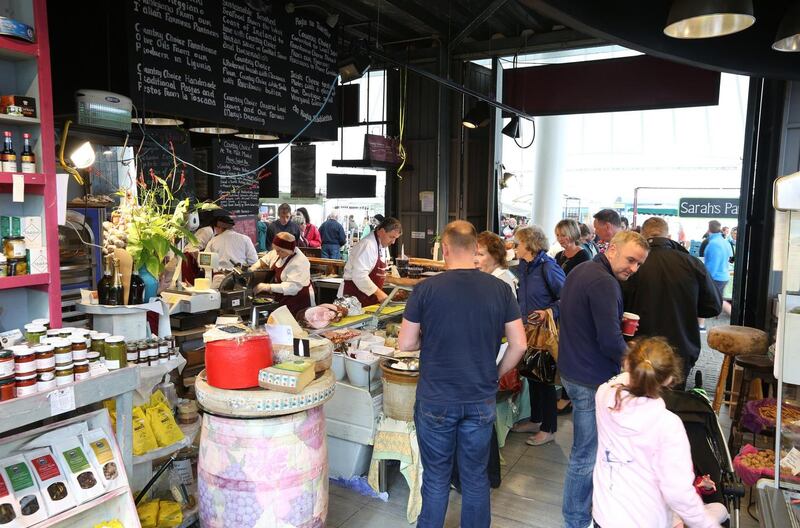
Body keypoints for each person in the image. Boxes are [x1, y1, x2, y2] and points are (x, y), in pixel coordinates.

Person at [398, 220, 527, 528]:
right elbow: (520, 344)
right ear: (474, 248)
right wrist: (495, 373)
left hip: (436, 398)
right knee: (475, 477)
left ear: (445, 249)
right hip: (479, 397)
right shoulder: (500, 289)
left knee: (436, 478)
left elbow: (405, 344)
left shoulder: (425, 289)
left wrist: (429, 339)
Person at [557, 230, 650, 528]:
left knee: (585, 451)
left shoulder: (583, 270)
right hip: (590, 378)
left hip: (573, 369)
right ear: (611, 250)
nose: (633, 269)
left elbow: (582, 320)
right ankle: (576, 520)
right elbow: (609, 341)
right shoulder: (604, 282)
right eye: (631, 260)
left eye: (639, 264)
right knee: (586, 454)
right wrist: (634, 362)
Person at [592, 337, 727, 528]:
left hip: (605, 515)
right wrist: (708, 524)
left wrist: (632, 364)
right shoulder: (668, 425)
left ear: (627, 363)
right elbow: (678, 493)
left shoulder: (604, 395)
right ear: (670, 380)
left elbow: (619, 380)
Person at [621, 217, 722, 384]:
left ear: (642, 236)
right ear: (668, 236)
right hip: (681, 348)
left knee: (637, 395)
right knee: (675, 396)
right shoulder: (691, 263)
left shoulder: (632, 265)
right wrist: (688, 307)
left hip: (639, 349)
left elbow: (619, 305)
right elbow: (714, 306)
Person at [510, 225, 566, 446]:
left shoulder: (547, 267)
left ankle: (549, 428)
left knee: (544, 379)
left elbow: (567, 297)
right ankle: (536, 419)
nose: (514, 246)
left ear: (529, 244)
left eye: (518, 243)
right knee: (531, 375)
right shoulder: (524, 267)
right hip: (528, 329)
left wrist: (548, 311)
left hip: (543, 332)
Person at [553, 219, 591, 414]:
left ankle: (568, 397)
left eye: (564, 235)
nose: (561, 239)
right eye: (558, 235)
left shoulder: (583, 256)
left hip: (573, 309)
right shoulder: (559, 255)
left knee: (569, 351)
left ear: (573, 234)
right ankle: (564, 393)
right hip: (558, 307)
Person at [338, 217, 402, 305]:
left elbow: (379, 273)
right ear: (381, 231)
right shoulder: (368, 245)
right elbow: (359, 276)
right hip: (354, 297)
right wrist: (380, 294)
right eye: (391, 237)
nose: (393, 242)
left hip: (369, 298)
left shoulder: (383, 245)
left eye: (396, 238)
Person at [250, 233, 314, 314]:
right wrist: (253, 267)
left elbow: (292, 287)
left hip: (297, 300)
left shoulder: (300, 261)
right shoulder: (279, 251)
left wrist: (267, 287)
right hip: (283, 296)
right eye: (276, 250)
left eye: (280, 251)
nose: (277, 253)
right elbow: (265, 259)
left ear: (289, 251)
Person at [702, 220, 733, 323]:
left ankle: (736, 316)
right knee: (717, 299)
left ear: (709, 229)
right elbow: (729, 257)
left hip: (716, 277)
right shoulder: (725, 242)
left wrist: (706, 279)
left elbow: (713, 265)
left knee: (714, 300)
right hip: (724, 276)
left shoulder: (713, 244)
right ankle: (700, 325)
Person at [475, 231, 518, 296]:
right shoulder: (490, 279)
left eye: (480, 254)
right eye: (474, 254)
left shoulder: (499, 284)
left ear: (496, 256)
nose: (475, 260)